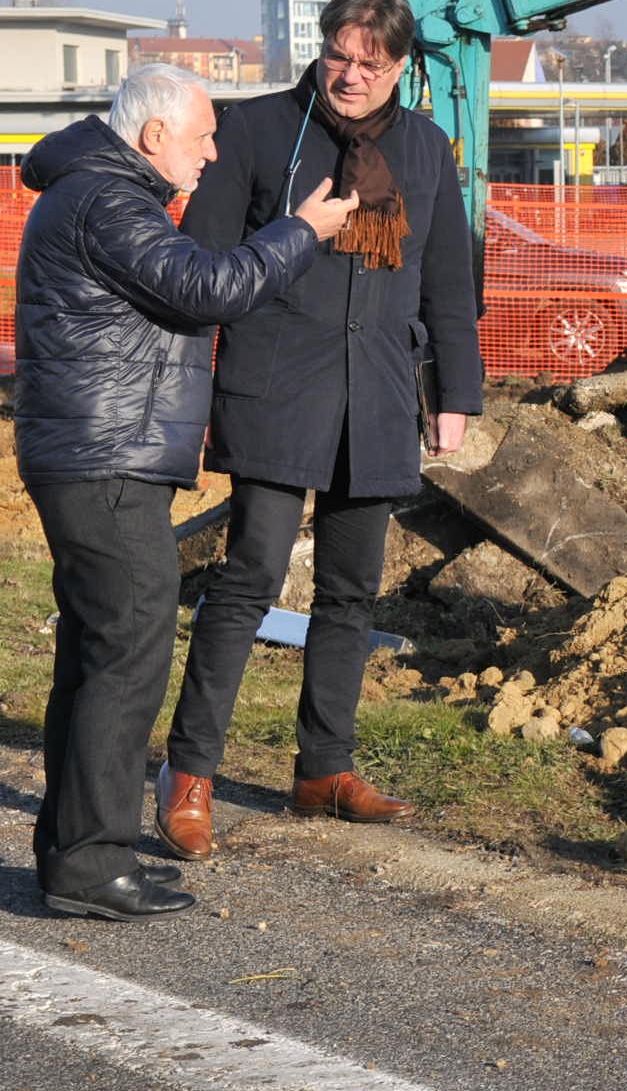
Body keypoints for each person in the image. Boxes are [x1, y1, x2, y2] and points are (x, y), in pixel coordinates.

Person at [18, 64, 356, 920]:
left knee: (97, 658)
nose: (212, 153)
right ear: (154, 134)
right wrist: (301, 230)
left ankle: (75, 852)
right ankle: (92, 865)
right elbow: (210, 287)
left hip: (101, 457)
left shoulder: (97, 192)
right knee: (127, 654)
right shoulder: (108, 201)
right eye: (203, 135)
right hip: (105, 463)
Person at [158, 0, 483, 860]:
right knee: (248, 580)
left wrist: (456, 395)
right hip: (276, 388)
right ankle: (188, 774)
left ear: (400, 68)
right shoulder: (258, 129)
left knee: (351, 592)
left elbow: (449, 281)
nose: (348, 75)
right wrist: (188, 399)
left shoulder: (424, 149)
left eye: (369, 64)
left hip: (375, 395)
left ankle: (322, 769)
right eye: (337, 56)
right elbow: (205, 270)